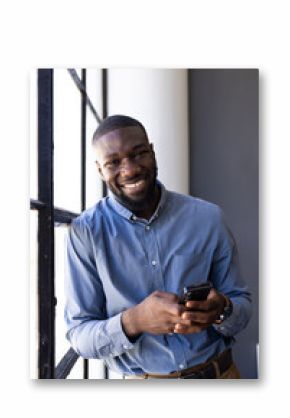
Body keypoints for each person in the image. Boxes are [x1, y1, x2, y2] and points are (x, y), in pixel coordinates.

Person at [64, 114, 252, 379]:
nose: (129, 170)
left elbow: (242, 307)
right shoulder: (85, 233)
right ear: (99, 170)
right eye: (113, 162)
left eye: (138, 153)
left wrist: (222, 309)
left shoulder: (208, 218)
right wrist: (135, 320)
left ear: (152, 152)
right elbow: (79, 336)